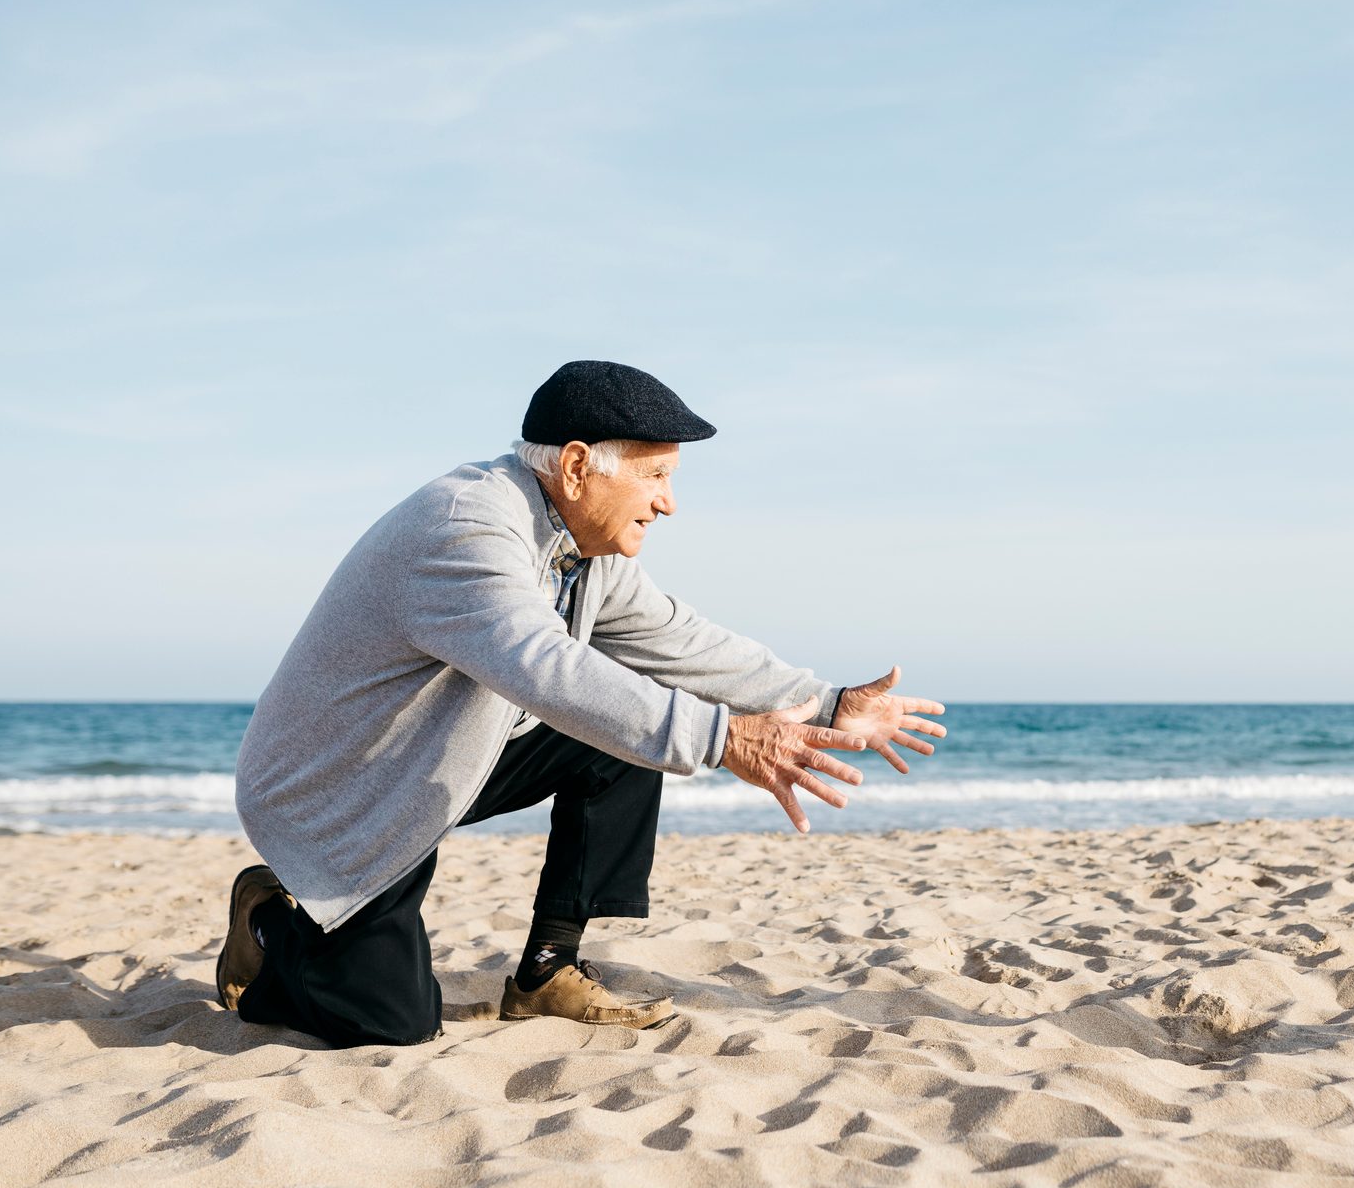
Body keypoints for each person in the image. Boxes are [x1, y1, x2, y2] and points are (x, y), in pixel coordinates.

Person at [220, 360, 946, 1047]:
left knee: (623, 734)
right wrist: (726, 739)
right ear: (574, 466)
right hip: (340, 794)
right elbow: (548, 669)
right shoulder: (465, 528)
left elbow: (678, 640)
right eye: (655, 475)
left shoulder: (580, 548)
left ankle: (545, 971)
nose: (668, 501)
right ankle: (272, 922)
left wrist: (824, 702)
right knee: (393, 1025)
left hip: (427, 763)